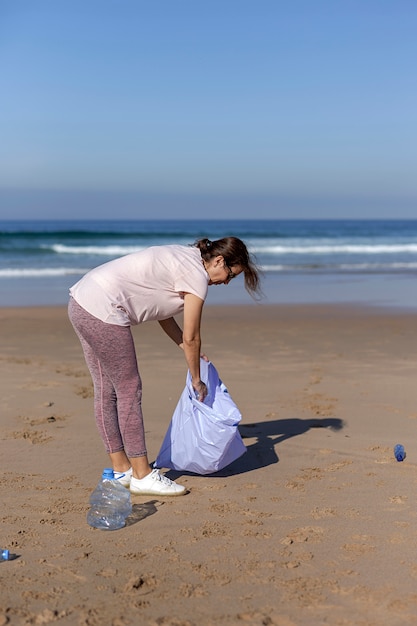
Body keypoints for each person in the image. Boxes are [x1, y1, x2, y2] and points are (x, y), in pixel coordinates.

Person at [68, 237, 261, 496]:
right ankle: (142, 474)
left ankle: (122, 468)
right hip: (104, 309)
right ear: (218, 260)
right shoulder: (197, 277)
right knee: (129, 389)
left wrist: (183, 346)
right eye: (229, 274)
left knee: (106, 390)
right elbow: (193, 336)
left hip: (82, 301)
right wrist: (196, 378)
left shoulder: (186, 257)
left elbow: (163, 311)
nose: (225, 282)